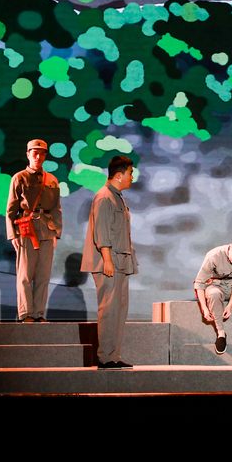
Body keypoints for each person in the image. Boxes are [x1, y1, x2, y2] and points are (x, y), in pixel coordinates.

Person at [80, 156, 138, 370]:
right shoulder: (104, 197)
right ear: (119, 175)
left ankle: (114, 355)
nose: (132, 177)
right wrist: (107, 260)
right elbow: (101, 232)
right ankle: (105, 357)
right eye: (130, 173)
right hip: (109, 262)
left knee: (119, 310)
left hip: (120, 261)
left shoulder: (117, 197)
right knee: (109, 310)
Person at [6, 139, 62, 323]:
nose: (38, 157)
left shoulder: (52, 179)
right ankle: (26, 314)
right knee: (25, 275)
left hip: (46, 230)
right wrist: (12, 234)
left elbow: (56, 208)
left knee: (43, 275)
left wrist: (56, 233)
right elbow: (11, 210)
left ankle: (39, 313)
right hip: (25, 229)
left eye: (42, 153)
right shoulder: (19, 178)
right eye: (35, 153)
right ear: (28, 154)